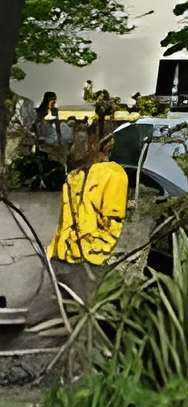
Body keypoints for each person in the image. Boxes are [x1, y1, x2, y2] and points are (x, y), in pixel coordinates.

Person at [48, 118, 129, 314]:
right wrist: (54, 251)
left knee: (84, 316)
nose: (75, 147)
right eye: (75, 142)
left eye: (82, 142)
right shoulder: (74, 176)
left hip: (89, 261)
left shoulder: (113, 174)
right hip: (62, 259)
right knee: (63, 315)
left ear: (97, 144)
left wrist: (94, 250)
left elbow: (113, 222)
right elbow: (64, 218)